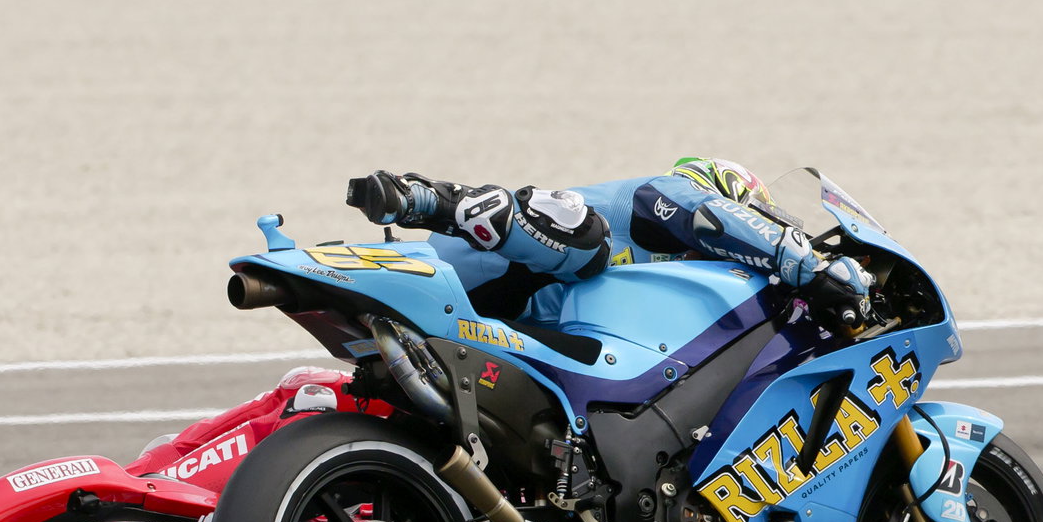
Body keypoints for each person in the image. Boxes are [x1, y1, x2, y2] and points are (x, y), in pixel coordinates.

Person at [346, 157, 874, 332]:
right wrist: (807, 261)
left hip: (495, 326)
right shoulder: (670, 195)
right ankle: (428, 200)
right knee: (586, 238)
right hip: (458, 272)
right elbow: (710, 219)